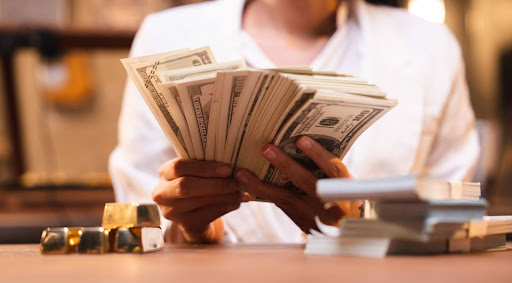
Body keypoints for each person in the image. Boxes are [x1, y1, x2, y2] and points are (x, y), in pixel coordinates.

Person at [109, 0, 479, 244]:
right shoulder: (165, 36)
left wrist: (358, 224)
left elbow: (453, 219)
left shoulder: (430, 47)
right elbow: (141, 213)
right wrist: (195, 229)